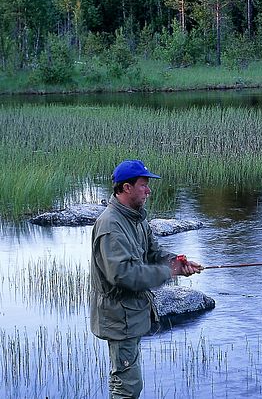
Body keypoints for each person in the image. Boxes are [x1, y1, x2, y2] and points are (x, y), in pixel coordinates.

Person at [90, 159, 202, 399]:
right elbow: (123, 275)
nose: (149, 190)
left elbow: (153, 252)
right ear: (126, 188)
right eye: (144, 185)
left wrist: (177, 263)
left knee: (129, 383)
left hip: (131, 315)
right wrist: (167, 273)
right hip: (119, 318)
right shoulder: (111, 226)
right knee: (127, 387)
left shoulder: (136, 218)